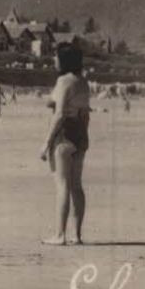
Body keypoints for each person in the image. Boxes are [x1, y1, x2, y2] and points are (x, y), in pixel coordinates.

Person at [39, 44, 91, 245]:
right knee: (77, 186)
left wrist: (46, 142)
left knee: (62, 186)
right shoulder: (83, 82)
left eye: (56, 56)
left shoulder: (63, 81)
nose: (54, 60)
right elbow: (85, 114)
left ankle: (60, 235)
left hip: (63, 135)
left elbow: (59, 113)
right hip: (80, 133)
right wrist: (84, 137)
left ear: (64, 60)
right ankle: (76, 235)